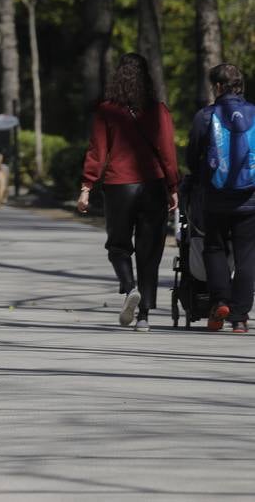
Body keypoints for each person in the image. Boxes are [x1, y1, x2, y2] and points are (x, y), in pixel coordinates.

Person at [76, 53, 179, 332]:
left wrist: (87, 187)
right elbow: (168, 152)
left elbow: (97, 151)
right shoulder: (159, 110)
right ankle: (144, 315)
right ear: (147, 78)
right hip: (153, 184)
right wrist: (172, 186)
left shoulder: (107, 110)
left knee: (118, 246)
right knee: (150, 251)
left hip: (119, 185)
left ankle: (129, 286)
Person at [186, 63, 255, 332]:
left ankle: (220, 302)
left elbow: (193, 156)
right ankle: (239, 318)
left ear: (217, 86)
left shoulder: (206, 116)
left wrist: (199, 175)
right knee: (247, 255)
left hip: (215, 196)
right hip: (250, 197)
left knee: (214, 247)